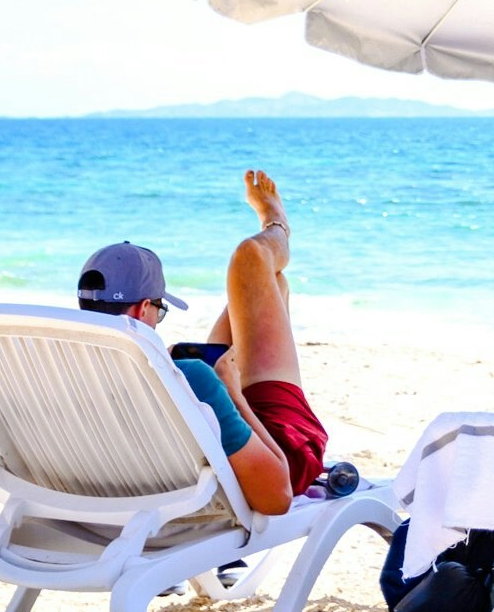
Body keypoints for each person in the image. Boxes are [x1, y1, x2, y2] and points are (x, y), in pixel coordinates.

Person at [76, 169, 324, 517]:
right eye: (159, 310)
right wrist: (232, 392)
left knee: (266, 288)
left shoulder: (65, 373)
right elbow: (276, 497)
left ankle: (271, 258)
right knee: (251, 259)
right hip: (271, 459)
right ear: (144, 308)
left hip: (129, 493)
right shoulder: (190, 379)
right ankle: (277, 225)